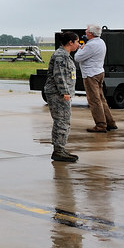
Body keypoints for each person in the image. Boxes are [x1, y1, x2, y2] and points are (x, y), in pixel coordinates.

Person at [43, 31, 80, 162]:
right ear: (70, 42)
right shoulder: (60, 56)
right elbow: (60, 76)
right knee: (62, 121)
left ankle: (61, 148)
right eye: (77, 42)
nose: (78, 45)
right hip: (58, 94)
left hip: (62, 93)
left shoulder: (65, 55)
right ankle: (58, 151)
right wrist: (65, 92)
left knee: (64, 120)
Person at [75, 24, 117, 133]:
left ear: (90, 33)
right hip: (99, 72)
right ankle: (110, 122)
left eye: (87, 30)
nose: (85, 31)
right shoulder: (101, 42)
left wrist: (81, 47)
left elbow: (78, 57)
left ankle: (100, 125)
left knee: (94, 100)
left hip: (90, 75)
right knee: (101, 99)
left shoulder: (90, 45)